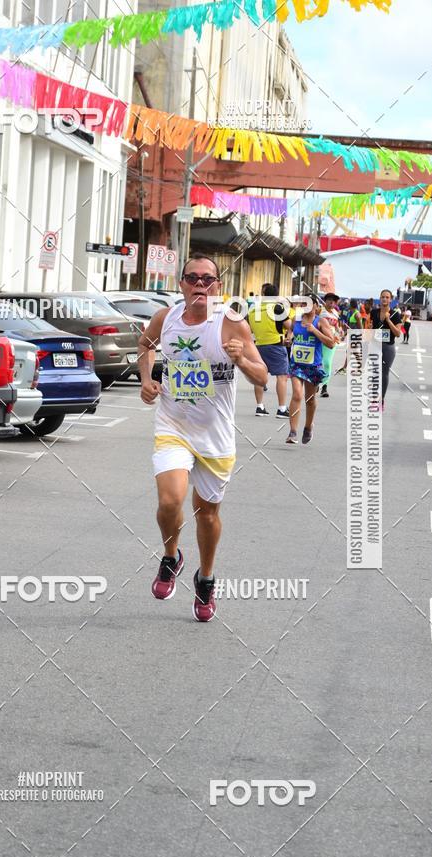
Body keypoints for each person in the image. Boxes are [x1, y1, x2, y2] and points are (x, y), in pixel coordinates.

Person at [138, 254, 268, 622]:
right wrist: (147, 381)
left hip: (215, 435)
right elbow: (144, 346)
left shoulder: (230, 323)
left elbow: (263, 378)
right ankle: (171, 556)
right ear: (181, 283)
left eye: (207, 279)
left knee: (207, 514)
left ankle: (205, 577)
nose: (200, 284)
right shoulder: (167, 318)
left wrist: (242, 360)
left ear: (218, 286)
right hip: (173, 426)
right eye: (192, 278)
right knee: (169, 500)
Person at [285, 296, 335, 444]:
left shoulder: (320, 321)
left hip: (313, 366)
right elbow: (290, 333)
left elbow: (331, 343)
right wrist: (288, 340)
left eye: (308, 304)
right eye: (302, 304)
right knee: (297, 394)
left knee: (310, 399)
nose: (305, 307)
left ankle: (308, 427)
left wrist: (314, 331)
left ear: (315, 306)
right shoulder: (296, 320)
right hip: (297, 364)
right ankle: (292, 432)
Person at [247, 282, 290, 418]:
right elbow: (289, 325)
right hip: (276, 345)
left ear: (264, 295)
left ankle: (259, 407)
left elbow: (249, 329)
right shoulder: (277, 308)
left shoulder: (253, 309)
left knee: (259, 378)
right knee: (282, 377)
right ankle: (282, 409)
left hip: (258, 345)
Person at [370, 288, 402, 409]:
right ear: (380, 298)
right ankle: (374, 399)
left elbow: (398, 333)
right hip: (375, 345)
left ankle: (381, 400)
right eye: (383, 297)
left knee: (384, 372)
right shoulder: (374, 312)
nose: (384, 299)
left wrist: (388, 320)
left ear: (391, 300)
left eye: (387, 297)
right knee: (374, 373)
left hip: (388, 347)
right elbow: (371, 327)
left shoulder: (395, 314)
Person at [319, 292, 341, 398]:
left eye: (334, 301)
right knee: (317, 362)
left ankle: (324, 386)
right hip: (319, 339)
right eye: (329, 300)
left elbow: (337, 325)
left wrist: (339, 331)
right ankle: (316, 381)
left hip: (331, 340)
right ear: (325, 301)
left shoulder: (336, 313)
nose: (332, 302)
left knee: (327, 363)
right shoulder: (319, 311)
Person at [336, 299, 363, 374]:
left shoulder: (357, 314)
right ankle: (346, 368)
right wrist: (344, 335)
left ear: (351, 305)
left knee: (352, 352)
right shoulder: (350, 313)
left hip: (356, 336)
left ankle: (359, 367)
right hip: (351, 335)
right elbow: (348, 327)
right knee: (350, 351)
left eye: (349, 304)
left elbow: (361, 328)